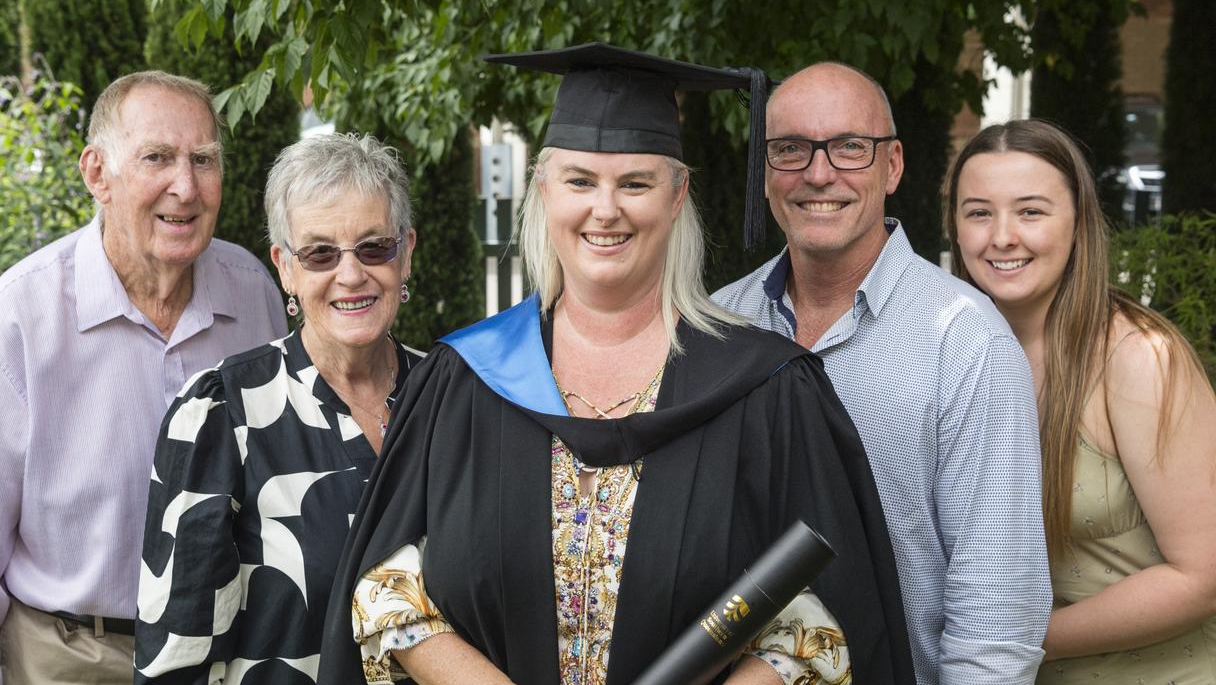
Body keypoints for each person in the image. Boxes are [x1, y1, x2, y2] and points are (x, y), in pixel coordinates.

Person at [318, 43, 914, 685]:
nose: (605, 210)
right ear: (544, 190)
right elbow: (383, 590)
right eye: (579, 181)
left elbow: (827, 620)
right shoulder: (465, 377)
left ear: (678, 192)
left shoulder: (765, 390)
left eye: (635, 182)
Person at [0, 71, 287, 684]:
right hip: (70, 656)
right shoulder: (22, 316)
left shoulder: (253, 295)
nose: (186, 186)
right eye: (157, 157)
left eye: (204, 159)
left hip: (221, 654)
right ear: (97, 174)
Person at [712, 62, 1050, 684]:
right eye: (791, 149)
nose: (819, 172)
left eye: (849, 148)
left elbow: (996, 618)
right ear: (764, 170)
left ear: (892, 166)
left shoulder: (964, 341)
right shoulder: (718, 327)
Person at [133, 133, 423, 683]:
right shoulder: (223, 414)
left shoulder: (452, 399)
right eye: (319, 253)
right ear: (285, 269)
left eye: (374, 247)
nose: (351, 273)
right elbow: (176, 660)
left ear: (406, 251)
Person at [944, 119, 1216, 684]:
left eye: (1031, 211)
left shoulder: (1140, 357)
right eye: (978, 212)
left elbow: (1204, 573)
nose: (1002, 237)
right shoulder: (947, 359)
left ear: (1079, 223)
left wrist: (1006, 640)